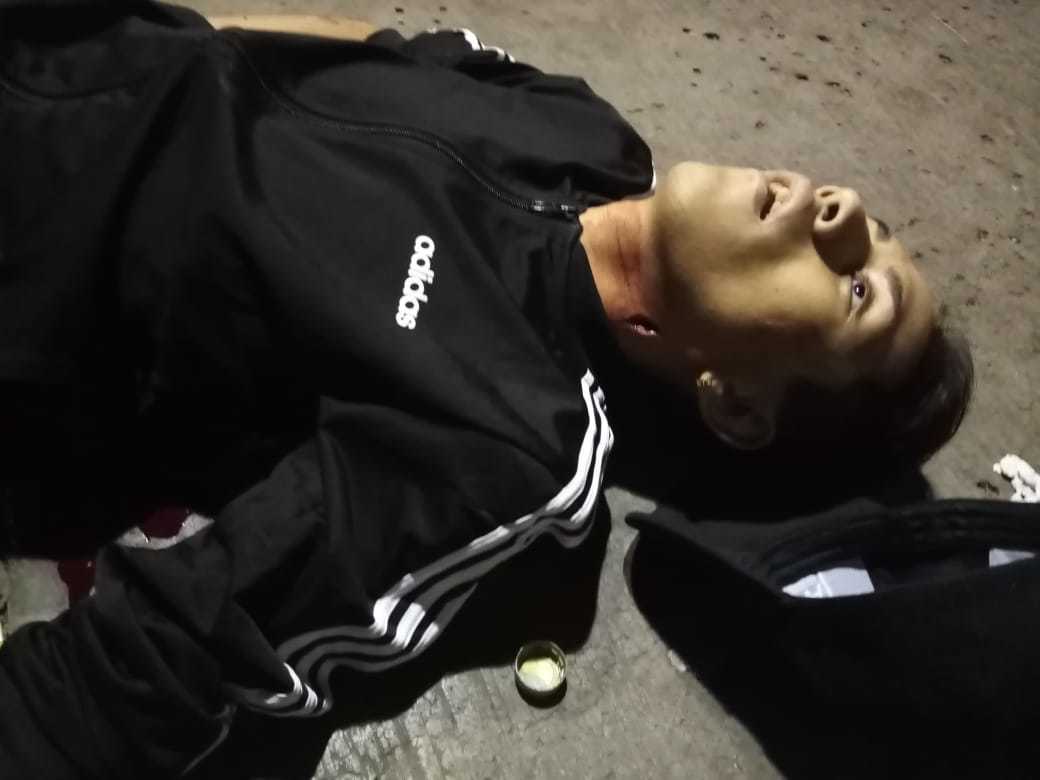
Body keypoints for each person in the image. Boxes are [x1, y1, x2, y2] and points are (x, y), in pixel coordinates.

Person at [0, 3, 972, 777]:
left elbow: (156, 669)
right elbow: (362, 49)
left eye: (858, 291)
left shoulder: (509, 434)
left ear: (736, 404)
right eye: (877, 229)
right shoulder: (587, 134)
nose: (843, 209)